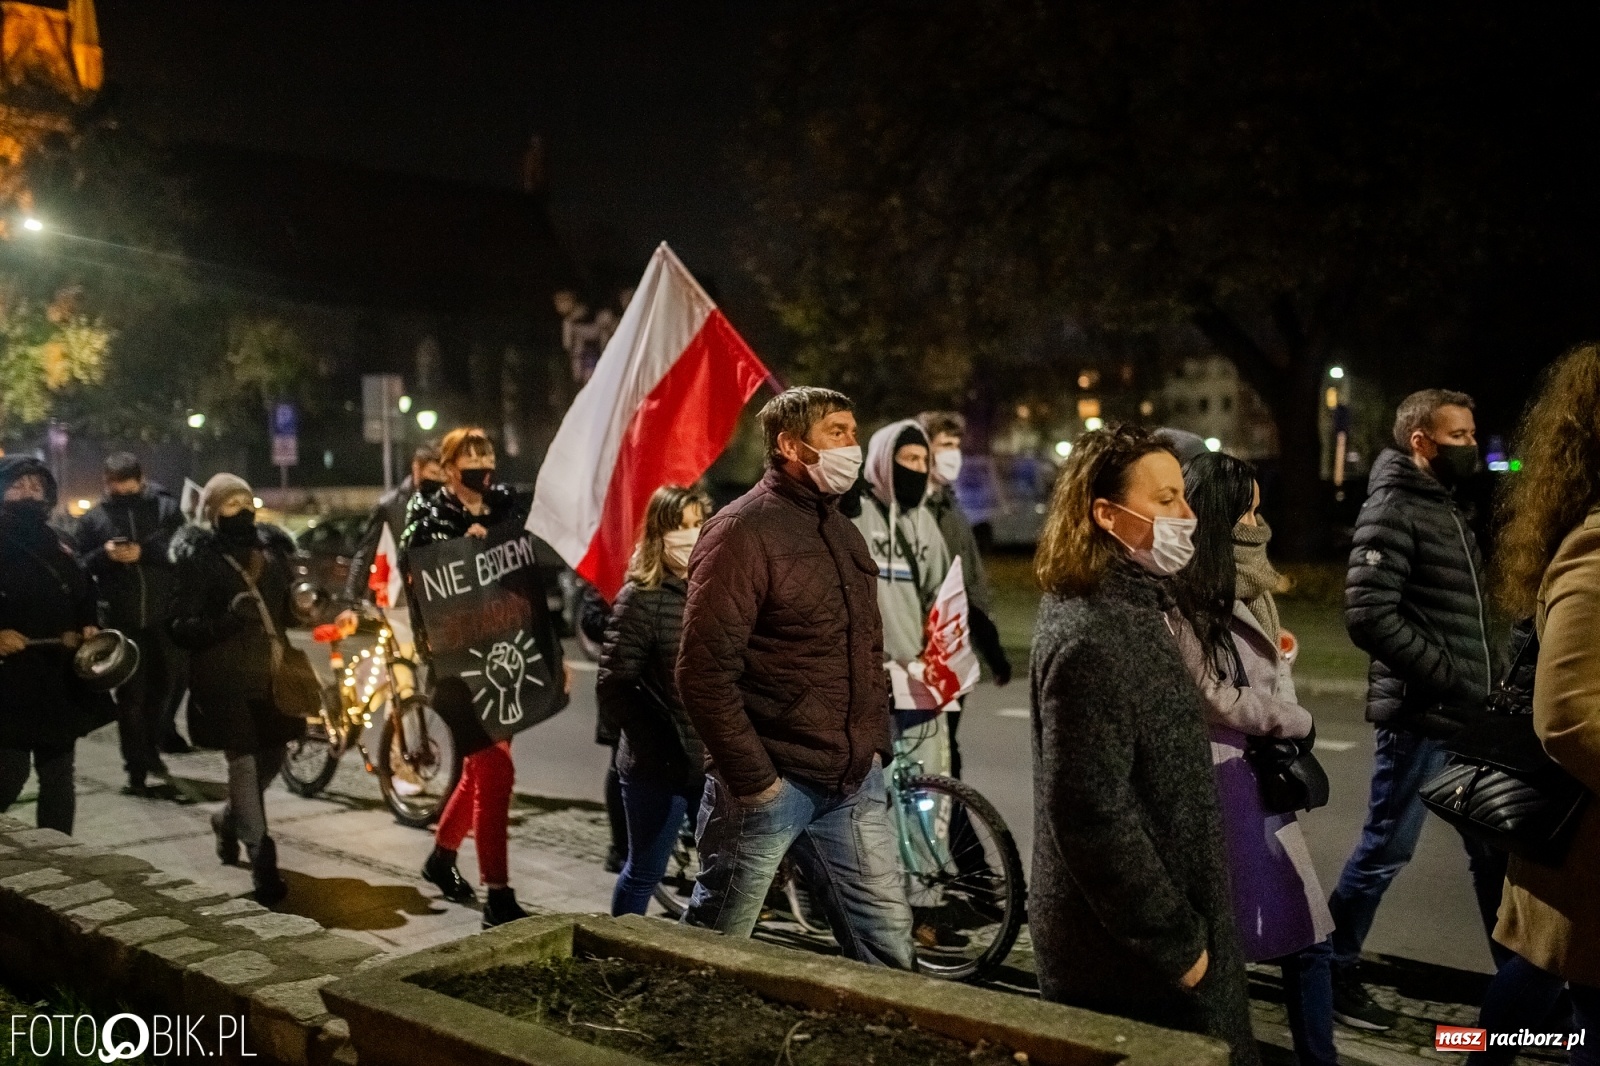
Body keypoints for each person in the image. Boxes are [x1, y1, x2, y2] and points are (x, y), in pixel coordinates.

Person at [1029, 423, 1258, 1066]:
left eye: (1183, 497)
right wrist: (1179, 946)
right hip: (1128, 960)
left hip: (1146, 942)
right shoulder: (1094, 632)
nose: (1187, 515)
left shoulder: (1131, 607)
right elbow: (1090, 815)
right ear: (1106, 514)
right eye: (1165, 501)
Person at [677, 386, 915, 969]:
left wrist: (874, 747)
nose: (852, 446)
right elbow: (703, 674)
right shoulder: (740, 531)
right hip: (770, 787)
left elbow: (863, 649)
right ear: (791, 444)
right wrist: (757, 782)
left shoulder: (841, 531)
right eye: (837, 431)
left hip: (851, 783)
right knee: (713, 951)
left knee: (888, 947)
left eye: (854, 432)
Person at [1330, 388, 1505, 1030]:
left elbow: (1463, 613)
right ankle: (1335, 971)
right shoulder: (1396, 507)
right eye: (1457, 435)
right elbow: (1368, 614)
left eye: (1471, 432)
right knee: (1387, 846)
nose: (1471, 446)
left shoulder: (1448, 507)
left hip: (1471, 718)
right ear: (1421, 442)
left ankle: (1521, 989)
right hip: (1421, 719)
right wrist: (1449, 678)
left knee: (1494, 854)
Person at [1173, 452, 1336, 1066]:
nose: (1257, 520)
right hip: (1225, 777)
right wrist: (1291, 718)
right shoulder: (1187, 589)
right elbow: (1210, 693)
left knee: (1308, 936)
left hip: (1257, 770)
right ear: (1221, 513)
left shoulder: (1249, 582)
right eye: (1248, 507)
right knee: (1244, 938)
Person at [1477, 345, 1600, 1066]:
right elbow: (1569, 716)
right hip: (1584, 843)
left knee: (1542, 975)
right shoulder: (1594, 548)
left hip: (1577, 861)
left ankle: (1482, 1055)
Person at [407, 426, 571, 929]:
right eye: (469, 453)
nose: (481, 459)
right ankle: (497, 895)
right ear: (449, 466)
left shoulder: (508, 511)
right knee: (497, 773)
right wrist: (460, 545)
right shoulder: (427, 515)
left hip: (508, 656)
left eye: (487, 450)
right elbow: (424, 578)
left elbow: (531, 591)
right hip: (458, 668)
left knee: (481, 772)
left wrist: (551, 656)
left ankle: (441, 858)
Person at [167, 474, 306, 904]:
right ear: (212, 513)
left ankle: (228, 819)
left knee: (274, 757)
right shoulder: (197, 560)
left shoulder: (273, 554)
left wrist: (303, 608)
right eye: (230, 504)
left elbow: (287, 614)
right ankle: (263, 859)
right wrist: (223, 622)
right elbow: (178, 627)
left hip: (271, 676)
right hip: (222, 679)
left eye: (247, 500)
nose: (243, 509)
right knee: (243, 763)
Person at [597, 485, 709, 916]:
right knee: (644, 870)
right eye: (679, 527)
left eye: (698, 524)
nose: (690, 535)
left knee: (723, 873)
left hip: (713, 764)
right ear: (658, 535)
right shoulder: (638, 599)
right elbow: (614, 686)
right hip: (657, 769)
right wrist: (658, 746)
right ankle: (614, 953)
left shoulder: (717, 591)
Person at [74, 452, 186, 799]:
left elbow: (181, 549)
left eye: (127, 481)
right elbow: (78, 567)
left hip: (163, 617)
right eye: (114, 483)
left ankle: (151, 750)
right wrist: (104, 556)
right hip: (122, 622)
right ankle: (135, 768)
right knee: (132, 696)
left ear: (140, 478)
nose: (121, 489)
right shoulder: (95, 519)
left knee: (164, 689)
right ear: (106, 483)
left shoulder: (164, 509)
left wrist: (144, 554)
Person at [0, 457, 102, 833]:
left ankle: (61, 855)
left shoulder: (60, 541)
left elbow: (84, 590)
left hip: (58, 677)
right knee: (9, 772)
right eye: (18, 484)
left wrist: (89, 624)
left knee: (59, 775)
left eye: (35, 485)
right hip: (8, 682)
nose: (28, 491)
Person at [918, 411, 1012, 782]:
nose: (953, 454)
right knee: (934, 750)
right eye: (945, 446)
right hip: (927, 647)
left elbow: (968, 579)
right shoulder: (915, 511)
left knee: (946, 747)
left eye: (956, 446)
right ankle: (958, 836)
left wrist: (988, 645)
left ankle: (952, 831)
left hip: (955, 643)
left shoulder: (950, 504)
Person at [335, 442, 443, 663]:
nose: (437, 480)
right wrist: (350, 603)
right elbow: (365, 553)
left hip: (441, 598)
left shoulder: (446, 502)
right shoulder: (391, 506)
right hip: (402, 602)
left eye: (442, 475)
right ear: (417, 469)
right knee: (405, 671)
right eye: (432, 473)